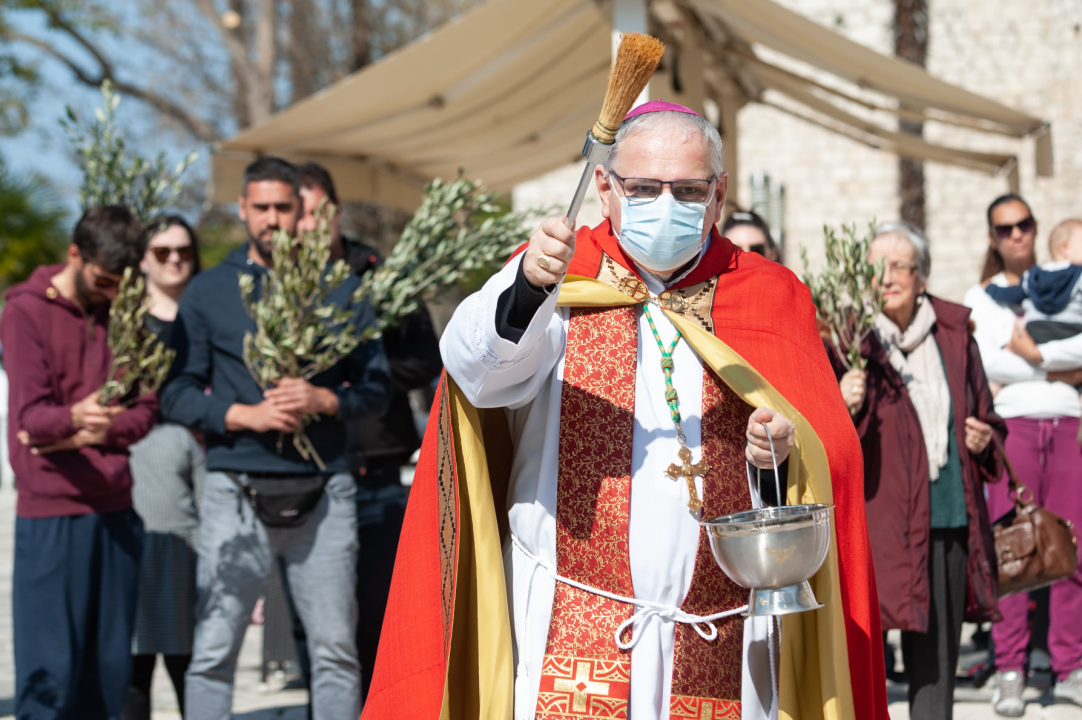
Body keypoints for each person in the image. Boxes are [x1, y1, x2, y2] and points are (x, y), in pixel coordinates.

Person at [364, 101, 888, 720]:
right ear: (606, 187)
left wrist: (775, 458)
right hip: (571, 616)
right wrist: (529, 287)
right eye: (644, 187)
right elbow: (478, 374)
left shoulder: (768, 294)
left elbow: (824, 461)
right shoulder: (557, 277)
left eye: (688, 190)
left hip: (723, 626)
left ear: (718, 194)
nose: (666, 205)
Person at [160, 157, 393, 720]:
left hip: (325, 491)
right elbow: (176, 393)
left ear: (301, 211)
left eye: (282, 207)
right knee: (214, 650)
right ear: (242, 210)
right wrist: (244, 415)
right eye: (259, 207)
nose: (271, 219)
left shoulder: (341, 291)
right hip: (233, 491)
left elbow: (377, 387)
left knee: (336, 651)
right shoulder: (208, 290)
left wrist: (324, 400)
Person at [833, 222, 1005, 720]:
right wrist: (843, 401)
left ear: (922, 277)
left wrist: (983, 438)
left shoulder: (954, 337)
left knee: (936, 662)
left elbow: (989, 417)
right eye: (874, 268)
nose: (885, 277)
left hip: (946, 519)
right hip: (875, 523)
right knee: (860, 651)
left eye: (898, 266)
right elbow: (817, 432)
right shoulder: (851, 342)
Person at [0, 206, 157, 718]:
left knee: (108, 673)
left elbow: (146, 409)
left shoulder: (124, 311)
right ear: (75, 255)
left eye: (121, 284)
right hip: (52, 513)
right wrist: (75, 416)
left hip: (116, 509)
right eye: (104, 280)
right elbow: (30, 418)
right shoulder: (24, 311)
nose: (112, 294)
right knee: (52, 673)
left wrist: (106, 426)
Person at [297, 162, 443, 701]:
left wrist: (362, 375)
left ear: (335, 210)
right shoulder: (286, 284)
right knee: (319, 622)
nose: (309, 225)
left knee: (379, 612)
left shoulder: (379, 271)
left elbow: (427, 357)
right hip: (313, 470)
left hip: (379, 466)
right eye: (299, 214)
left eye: (319, 212)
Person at [963, 194, 1082, 715]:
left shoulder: (1067, 286)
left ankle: (1070, 665)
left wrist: (1029, 355)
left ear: (1036, 228)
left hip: (1070, 425)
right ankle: (1009, 668)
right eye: (1004, 228)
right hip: (1012, 431)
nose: (1016, 234)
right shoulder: (981, 297)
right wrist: (1058, 365)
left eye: (1024, 224)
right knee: (1010, 549)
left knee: (1073, 548)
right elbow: (987, 364)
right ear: (992, 236)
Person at [122, 216, 205, 720]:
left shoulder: (204, 313)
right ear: (142, 258)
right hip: (140, 460)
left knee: (184, 645)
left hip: (197, 468)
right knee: (131, 655)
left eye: (183, 250)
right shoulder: (123, 319)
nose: (174, 258)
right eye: (161, 250)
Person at [985, 219, 1082, 344]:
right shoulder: (1079, 275)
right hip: (1071, 330)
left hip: (1036, 332)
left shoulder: (1032, 275)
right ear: (1064, 249)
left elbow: (1013, 294)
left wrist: (991, 288)